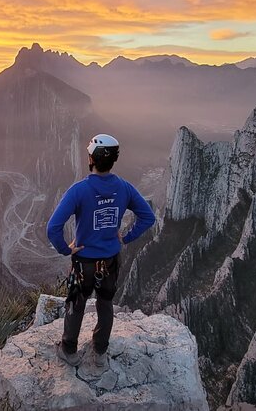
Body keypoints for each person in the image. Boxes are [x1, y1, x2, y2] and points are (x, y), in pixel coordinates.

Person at [46, 133, 156, 367]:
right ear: (113, 160)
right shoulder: (124, 188)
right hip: (111, 259)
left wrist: (66, 249)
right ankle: (100, 351)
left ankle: (69, 350)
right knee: (105, 303)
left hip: (83, 260)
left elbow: (53, 227)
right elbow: (147, 217)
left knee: (77, 302)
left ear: (91, 159)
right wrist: (126, 237)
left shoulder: (79, 191)